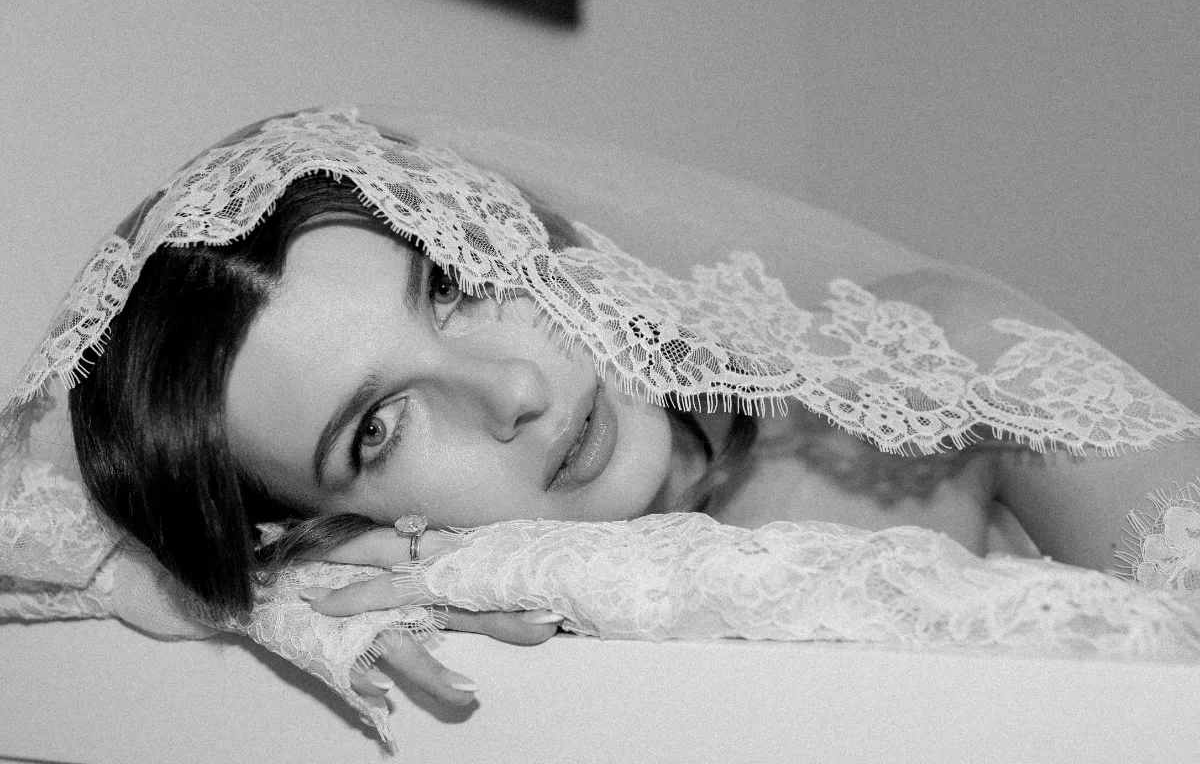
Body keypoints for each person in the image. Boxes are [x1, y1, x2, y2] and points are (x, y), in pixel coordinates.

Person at [6, 107, 1199, 726]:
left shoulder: (935, 365)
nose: (515, 393)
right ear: (324, 524)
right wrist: (246, 590)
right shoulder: (414, 603)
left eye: (458, 280)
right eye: (376, 428)